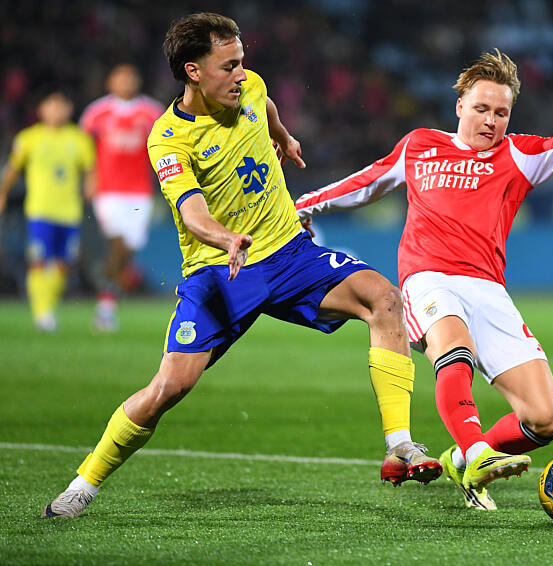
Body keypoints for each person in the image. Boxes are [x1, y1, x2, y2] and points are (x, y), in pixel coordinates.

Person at [41, 12, 440, 519]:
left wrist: (283, 134)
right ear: (192, 71)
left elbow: (264, 102)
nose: (240, 73)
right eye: (227, 65)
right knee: (169, 388)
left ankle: (399, 444)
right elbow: (191, 212)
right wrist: (226, 237)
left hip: (290, 252)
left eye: (241, 61)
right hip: (221, 271)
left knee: (383, 298)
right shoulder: (169, 138)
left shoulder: (249, 86)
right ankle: (83, 485)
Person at [296, 50, 553, 509]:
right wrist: (305, 205)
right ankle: (477, 451)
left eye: (501, 113)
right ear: (460, 105)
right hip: (428, 279)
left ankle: (463, 459)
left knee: (545, 419)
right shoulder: (420, 145)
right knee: (454, 349)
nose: (490, 121)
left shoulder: (517, 154)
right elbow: (368, 182)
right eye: (481, 109)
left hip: (488, 290)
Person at [0, 91, 95, 332]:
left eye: (61, 105)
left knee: (62, 265)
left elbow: (91, 170)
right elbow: (12, 169)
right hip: (40, 211)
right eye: (51, 105)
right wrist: (2, 194)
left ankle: (48, 308)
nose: (56, 110)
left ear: (69, 109)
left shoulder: (79, 139)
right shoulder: (28, 138)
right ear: (41, 109)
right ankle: (42, 312)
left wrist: (91, 186)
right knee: (39, 261)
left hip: (70, 212)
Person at [81, 64, 165, 332]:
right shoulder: (97, 112)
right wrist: (89, 176)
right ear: (110, 82)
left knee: (128, 249)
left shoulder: (151, 112)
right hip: (108, 190)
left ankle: (107, 295)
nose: (126, 82)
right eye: (120, 77)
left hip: (140, 191)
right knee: (117, 243)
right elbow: (84, 146)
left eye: (130, 77)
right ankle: (107, 303)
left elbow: (166, 145)